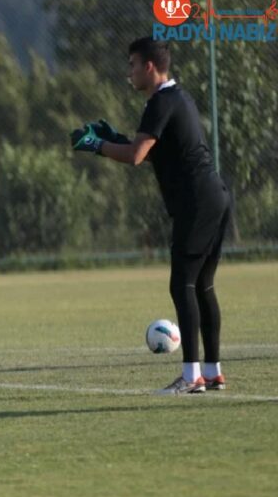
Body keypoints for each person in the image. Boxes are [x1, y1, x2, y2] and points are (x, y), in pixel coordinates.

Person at [70, 37, 230, 395]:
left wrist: (96, 146)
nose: (128, 72)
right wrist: (117, 139)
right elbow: (155, 150)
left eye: (131, 64)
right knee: (202, 285)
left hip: (197, 203)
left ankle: (191, 379)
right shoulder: (177, 97)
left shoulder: (160, 101)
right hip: (214, 197)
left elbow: (136, 156)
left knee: (183, 285)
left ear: (148, 67)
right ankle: (212, 372)